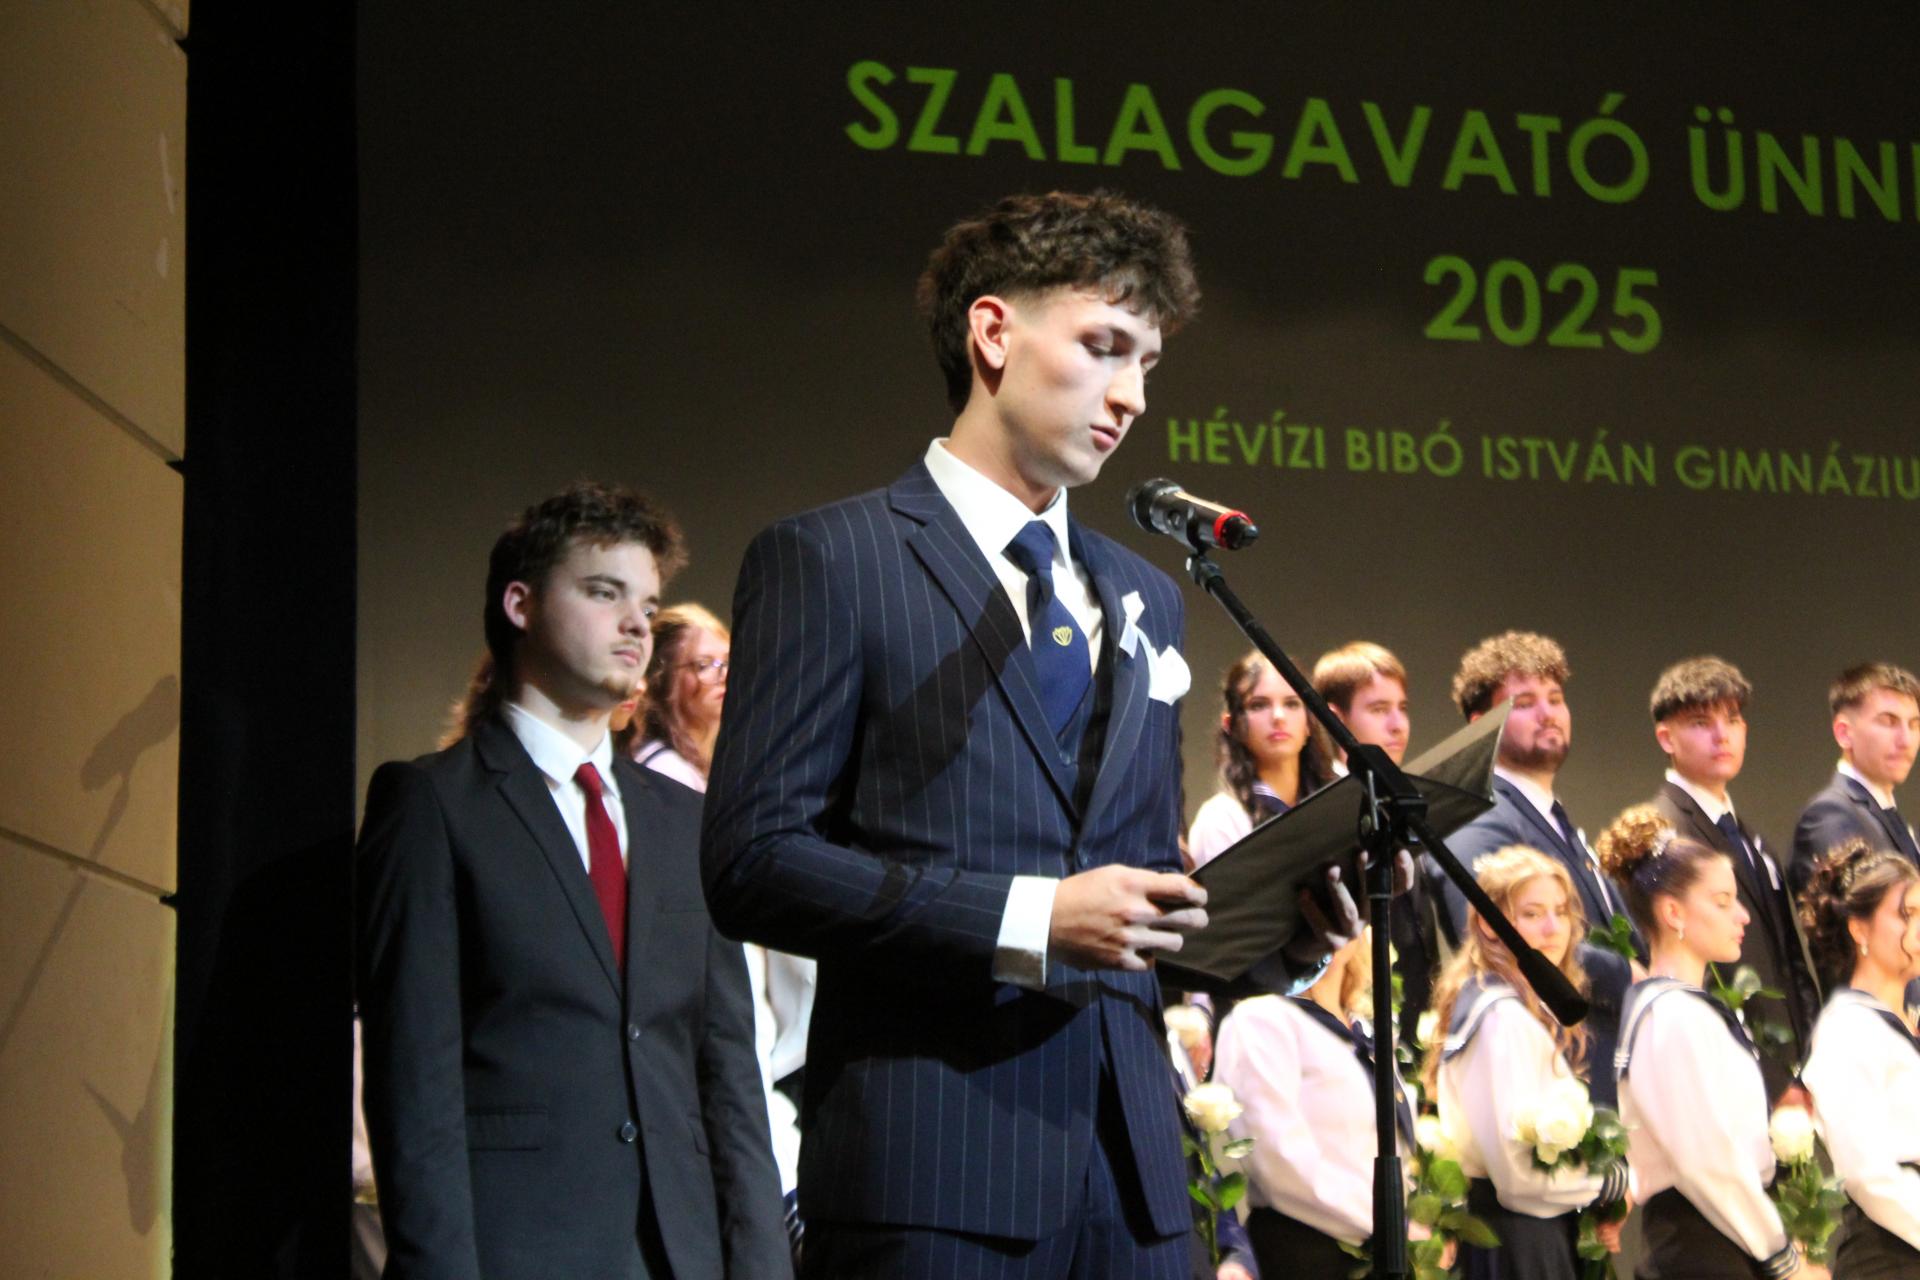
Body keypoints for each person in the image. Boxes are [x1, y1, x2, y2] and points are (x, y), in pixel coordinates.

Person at [702, 190, 1362, 1280]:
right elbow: (754, 863)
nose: (1133, 395)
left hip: (1137, 1189)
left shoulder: (1148, 595)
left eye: (1148, 362)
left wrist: (1277, 936)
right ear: (994, 333)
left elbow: (1137, 901)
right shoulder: (833, 560)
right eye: (1104, 347)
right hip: (932, 1175)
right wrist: (1031, 917)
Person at [357, 483, 790, 1280]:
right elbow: (413, 1081)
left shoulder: (684, 822)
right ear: (521, 605)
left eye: (647, 604)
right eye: (603, 592)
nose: (637, 624)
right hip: (517, 1250)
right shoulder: (434, 805)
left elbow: (729, 1077)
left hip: (677, 1254)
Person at [635, 603, 816, 1230]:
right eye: (704, 665)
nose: (723, 677)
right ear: (662, 683)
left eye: (729, 662)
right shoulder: (663, 785)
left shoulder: (715, 776)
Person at [1600, 806, 1822, 1280]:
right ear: (1673, 912)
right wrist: (1783, 1259)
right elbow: (1708, 1162)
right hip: (1700, 1248)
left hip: (1723, 1238)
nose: (1742, 915)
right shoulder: (1671, 1016)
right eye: (1722, 902)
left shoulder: (1684, 1009)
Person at [1435, 631, 1635, 1108]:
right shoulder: (1477, 817)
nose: (1548, 713)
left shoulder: (1551, 816)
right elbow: (1501, 940)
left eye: (1555, 698)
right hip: (1552, 1074)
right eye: (1524, 703)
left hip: (1599, 1067)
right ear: (1482, 726)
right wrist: (1631, 973)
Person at [1426, 846, 1628, 1280]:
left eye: (1561, 912)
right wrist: (1607, 1182)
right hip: (1515, 1243)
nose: (1553, 928)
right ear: (1489, 924)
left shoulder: (1514, 1011)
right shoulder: (1500, 1018)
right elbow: (1519, 1177)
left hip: (1532, 1235)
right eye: (1532, 914)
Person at [1646, 656, 1821, 1102]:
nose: (1722, 734)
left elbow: (1789, 959)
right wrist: (1771, 1079)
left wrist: (1809, 1062)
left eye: (1733, 719)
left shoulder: (1750, 837)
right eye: (1701, 722)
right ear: (1666, 737)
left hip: (1793, 1070)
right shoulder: (1665, 833)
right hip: (1731, 1074)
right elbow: (1689, 969)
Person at [1213, 930, 1412, 1276]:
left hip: (1374, 1248)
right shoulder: (1262, 1019)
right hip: (1304, 1253)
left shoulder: (1364, 1033)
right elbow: (1278, 1161)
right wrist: (1382, 1220)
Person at [1798, 839, 1920, 1277]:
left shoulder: (1904, 1023)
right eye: (1906, 914)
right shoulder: (1847, 1027)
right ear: (1859, 929)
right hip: (1889, 1257)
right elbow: (1867, 1174)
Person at [1188, 648, 1338, 867]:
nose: (1278, 717)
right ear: (1231, 725)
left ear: (1309, 722)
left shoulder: (1339, 796)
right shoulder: (1221, 820)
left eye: (1292, 703)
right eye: (1258, 705)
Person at [1791, 663, 1920, 897]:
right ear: (1844, 733)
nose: (1906, 740)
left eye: (1914, 724)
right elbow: (1853, 911)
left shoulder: (1889, 817)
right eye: (1888, 721)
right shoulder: (1830, 815)